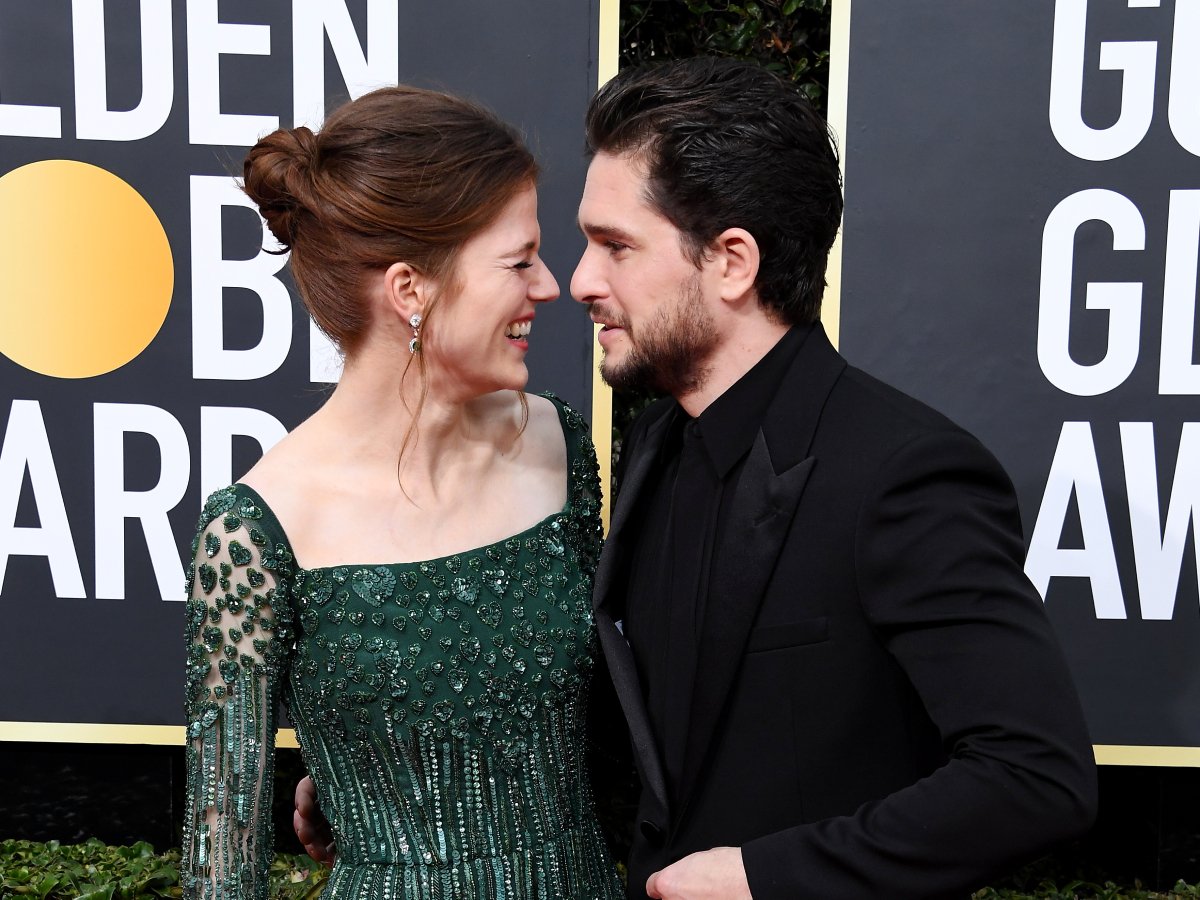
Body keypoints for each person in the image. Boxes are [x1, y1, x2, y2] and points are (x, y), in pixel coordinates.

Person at [297, 58, 1099, 899]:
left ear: (731, 262)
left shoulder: (903, 475)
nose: (579, 282)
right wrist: (395, 758)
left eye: (616, 246)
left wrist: (764, 877)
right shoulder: (654, 443)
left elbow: (1037, 779)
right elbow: (642, 735)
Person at [182, 85, 623, 900]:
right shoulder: (255, 529)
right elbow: (223, 863)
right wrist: (355, 770)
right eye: (519, 260)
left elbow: (589, 713)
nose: (551, 287)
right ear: (410, 289)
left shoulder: (559, 444)